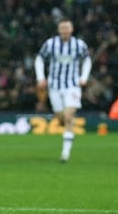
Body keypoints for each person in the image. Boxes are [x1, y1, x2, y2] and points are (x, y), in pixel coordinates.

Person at [34, 18, 92, 163]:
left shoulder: (78, 44)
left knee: (68, 116)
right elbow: (39, 59)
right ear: (59, 30)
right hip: (54, 86)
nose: (65, 30)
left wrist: (83, 77)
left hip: (72, 85)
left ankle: (65, 153)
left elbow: (87, 60)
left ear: (72, 29)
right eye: (62, 28)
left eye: (67, 28)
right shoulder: (50, 43)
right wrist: (41, 77)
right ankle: (68, 130)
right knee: (60, 118)